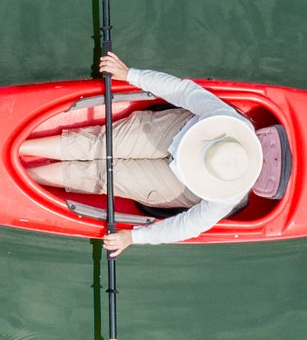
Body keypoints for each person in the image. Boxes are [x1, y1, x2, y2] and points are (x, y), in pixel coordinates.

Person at [23, 52, 268, 254]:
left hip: (182, 186)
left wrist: (133, 237)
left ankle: (26, 177)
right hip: (178, 130)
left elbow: (187, 227)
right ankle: (21, 148)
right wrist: (129, 74)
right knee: (103, 142)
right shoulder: (225, 120)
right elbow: (182, 91)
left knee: (104, 176)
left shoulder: (225, 198)